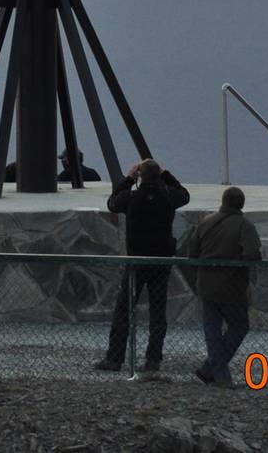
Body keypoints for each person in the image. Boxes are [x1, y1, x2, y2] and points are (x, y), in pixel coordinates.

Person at [94, 159, 190, 373]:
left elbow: (112, 203)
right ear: (158, 176)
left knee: (124, 310)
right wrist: (166, 175)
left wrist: (128, 179)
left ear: (140, 177)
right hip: (161, 262)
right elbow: (185, 194)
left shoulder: (131, 198)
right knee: (158, 312)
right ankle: (153, 359)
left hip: (136, 261)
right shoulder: (168, 198)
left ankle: (115, 358)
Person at [184, 186, 263, 387]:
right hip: (232, 286)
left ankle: (214, 371)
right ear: (242, 204)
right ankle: (215, 371)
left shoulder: (205, 223)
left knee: (212, 331)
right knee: (239, 326)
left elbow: (192, 252)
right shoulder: (244, 226)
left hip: (206, 285)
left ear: (223, 201)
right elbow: (252, 253)